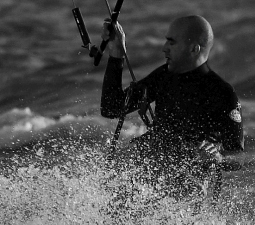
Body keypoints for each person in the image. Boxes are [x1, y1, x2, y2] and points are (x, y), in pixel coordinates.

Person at [99, 15, 244, 199]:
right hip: (151, 174)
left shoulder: (222, 93)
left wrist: (219, 157)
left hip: (187, 188)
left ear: (194, 49)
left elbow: (238, 157)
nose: (164, 48)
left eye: (171, 42)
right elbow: (111, 108)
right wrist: (116, 54)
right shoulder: (163, 76)